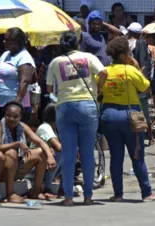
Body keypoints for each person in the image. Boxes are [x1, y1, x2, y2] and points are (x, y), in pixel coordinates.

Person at [45, 31, 107, 206]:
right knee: (87, 153)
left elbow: (49, 89)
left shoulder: (55, 62)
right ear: (78, 43)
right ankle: (88, 197)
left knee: (69, 153)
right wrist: (99, 88)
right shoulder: (88, 57)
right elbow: (103, 73)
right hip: (88, 105)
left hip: (65, 106)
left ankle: (69, 197)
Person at [100, 36, 155, 202]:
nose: (131, 55)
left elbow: (98, 89)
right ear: (122, 56)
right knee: (137, 155)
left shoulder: (105, 71)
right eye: (129, 53)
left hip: (109, 114)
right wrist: (136, 67)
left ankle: (118, 194)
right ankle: (147, 192)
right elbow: (146, 86)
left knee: (116, 156)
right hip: (130, 115)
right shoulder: (131, 70)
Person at [0, 101, 56, 203]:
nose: (11, 119)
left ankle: (36, 191)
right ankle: (10, 194)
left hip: (15, 167)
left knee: (42, 152)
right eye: (8, 116)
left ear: (20, 117)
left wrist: (50, 156)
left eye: (15, 117)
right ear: (4, 115)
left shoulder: (22, 126)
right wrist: (17, 144)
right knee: (11, 152)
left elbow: (40, 141)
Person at [0, 27, 36, 123]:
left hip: (13, 108)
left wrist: (16, 104)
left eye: (7, 39)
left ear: (16, 41)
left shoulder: (24, 57)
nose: (3, 41)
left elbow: (24, 82)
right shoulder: (6, 54)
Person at [34, 104, 61, 198]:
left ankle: (63, 187)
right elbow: (58, 147)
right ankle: (47, 187)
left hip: (46, 166)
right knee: (62, 153)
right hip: (36, 168)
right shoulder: (45, 127)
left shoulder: (55, 129)